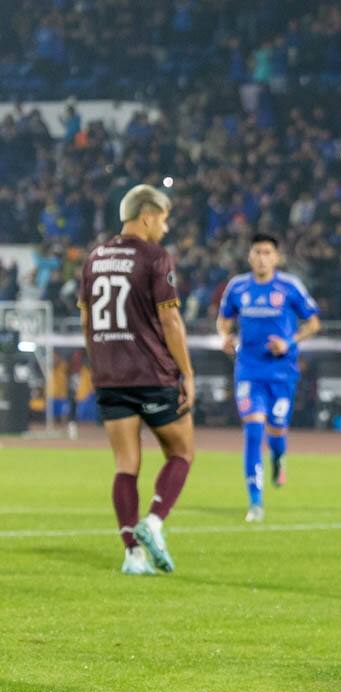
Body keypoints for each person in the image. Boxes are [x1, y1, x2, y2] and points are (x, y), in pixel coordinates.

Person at [78, 184, 195, 575]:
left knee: (125, 465)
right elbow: (170, 319)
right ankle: (154, 522)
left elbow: (86, 320)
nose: (165, 227)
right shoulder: (154, 257)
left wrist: (102, 365)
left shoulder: (94, 258)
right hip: (152, 374)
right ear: (147, 216)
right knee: (181, 451)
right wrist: (187, 372)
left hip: (110, 377)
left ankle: (131, 554)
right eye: (163, 219)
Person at [217, 233, 321, 522]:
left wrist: (289, 341)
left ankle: (278, 458)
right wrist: (225, 336)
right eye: (257, 252)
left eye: (267, 252)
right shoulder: (237, 287)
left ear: (276, 257)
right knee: (253, 431)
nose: (261, 257)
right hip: (249, 371)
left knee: (276, 430)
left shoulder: (289, 286)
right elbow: (224, 319)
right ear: (249, 256)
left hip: (281, 373)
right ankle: (255, 502)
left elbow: (313, 322)